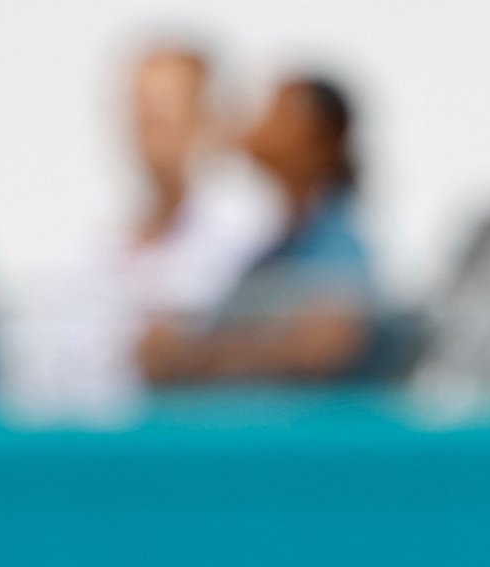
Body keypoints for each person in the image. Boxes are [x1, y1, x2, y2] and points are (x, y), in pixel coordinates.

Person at [10, 41, 277, 412]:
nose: (147, 134)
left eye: (165, 115)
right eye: (138, 114)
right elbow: (56, 376)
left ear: (208, 118)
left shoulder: (254, 230)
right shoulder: (98, 249)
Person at [138, 75, 377, 386]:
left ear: (320, 138)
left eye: (277, 113)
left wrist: (198, 357)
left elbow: (328, 345)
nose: (258, 122)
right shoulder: (262, 240)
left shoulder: (336, 244)